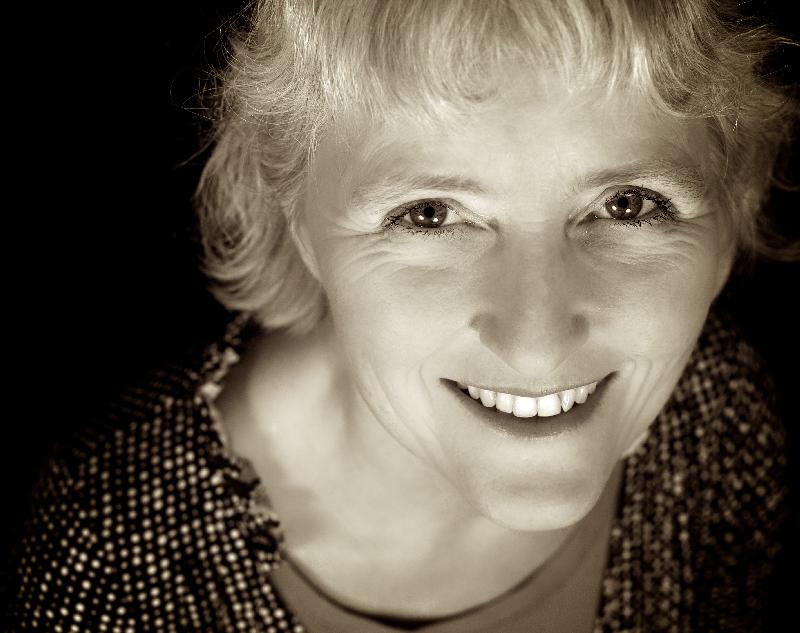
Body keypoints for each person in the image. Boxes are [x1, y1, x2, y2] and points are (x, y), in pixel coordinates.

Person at [6, 0, 797, 631]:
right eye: (429, 214)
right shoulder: (110, 552)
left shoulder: (721, 415)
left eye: (627, 205)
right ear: (299, 227)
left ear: (732, 219)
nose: (536, 343)